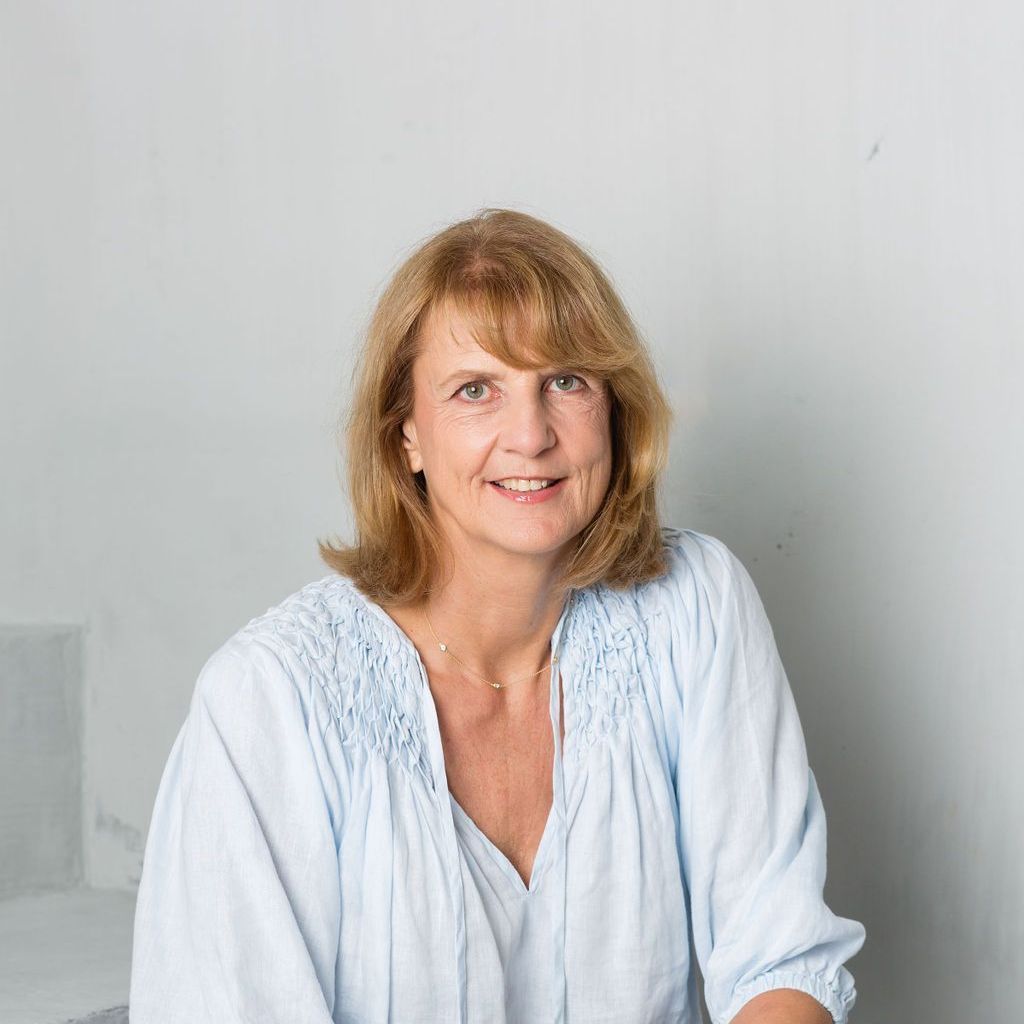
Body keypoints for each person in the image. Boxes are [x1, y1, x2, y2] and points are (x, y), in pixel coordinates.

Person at [129, 208, 866, 1023]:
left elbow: (779, 956)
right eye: (476, 390)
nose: (530, 434)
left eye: (566, 382)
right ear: (405, 434)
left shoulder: (695, 605)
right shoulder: (267, 700)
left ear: (613, 413)